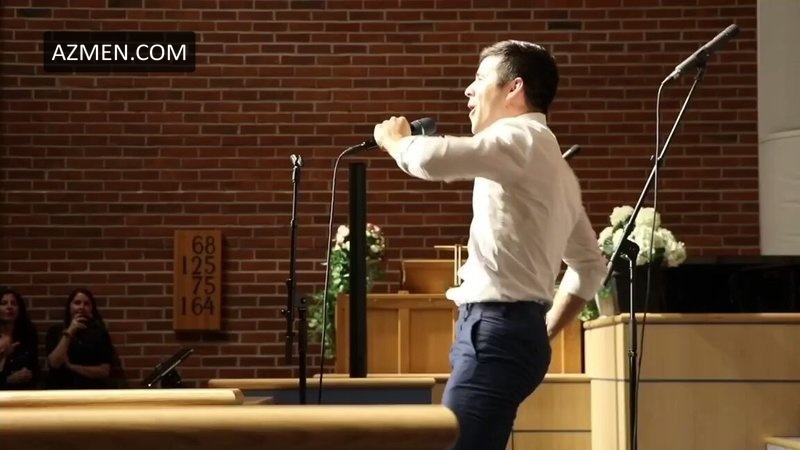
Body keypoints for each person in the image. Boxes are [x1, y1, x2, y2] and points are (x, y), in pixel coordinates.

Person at [373, 40, 607, 450]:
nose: (468, 89)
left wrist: (395, 141)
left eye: (480, 78)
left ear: (514, 88)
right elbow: (590, 267)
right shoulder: (556, 167)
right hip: (514, 334)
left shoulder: (519, 137)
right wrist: (542, 330)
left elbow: (431, 159)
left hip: (496, 331)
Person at [45, 288, 121, 389]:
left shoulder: (100, 333)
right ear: (69, 306)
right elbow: (54, 363)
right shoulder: (55, 331)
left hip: (90, 390)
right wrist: (70, 331)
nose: (81, 307)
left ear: (92, 308)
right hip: (61, 389)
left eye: (86, 304)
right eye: (77, 303)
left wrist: (72, 367)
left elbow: (104, 371)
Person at [0, 288, 40, 390]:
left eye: (13, 303)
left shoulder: (28, 334)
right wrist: (7, 380)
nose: (9, 307)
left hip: (24, 392)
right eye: (4, 303)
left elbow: (35, 367)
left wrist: (28, 374)